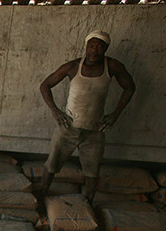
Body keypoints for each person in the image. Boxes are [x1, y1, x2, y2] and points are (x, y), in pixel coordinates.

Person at [38, 30, 135, 202]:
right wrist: (55, 110)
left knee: (92, 171)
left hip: (95, 130)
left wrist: (115, 114)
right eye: (91, 46)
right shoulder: (73, 66)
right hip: (68, 127)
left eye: (99, 47)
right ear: (86, 47)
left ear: (105, 49)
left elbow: (130, 87)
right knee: (52, 165)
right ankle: (41, 196)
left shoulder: (112, 66)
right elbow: (45, 85)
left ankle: (88, 204)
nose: (94, 50)